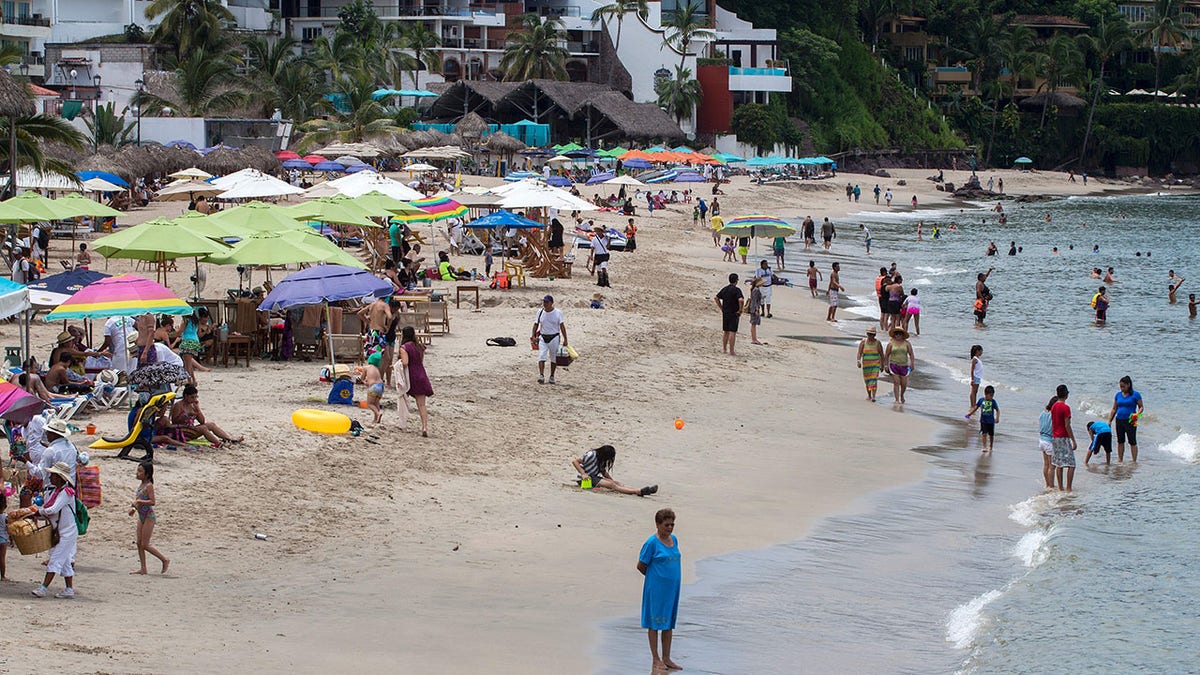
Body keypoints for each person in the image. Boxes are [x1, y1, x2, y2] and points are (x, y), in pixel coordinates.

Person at [638, 508, 682, 672]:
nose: (670, 528)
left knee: (668, 623)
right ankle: (656, 659)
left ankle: (667, 657)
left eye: (672, 525)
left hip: (672, 589)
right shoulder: (651, 543)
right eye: (666, 525)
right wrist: (656, 579)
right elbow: (641, 565)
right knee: (654, 623)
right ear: (657, 524)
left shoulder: (674, 539)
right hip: (656, 589)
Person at [32, 462, 78, 598]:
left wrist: (37, 512)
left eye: (53, 475)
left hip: (67, 532)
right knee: (65, 561)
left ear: (59, 478)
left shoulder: (66, 493)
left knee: (55, 559)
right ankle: (69, 589)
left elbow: (52, 510)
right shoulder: (56, 492)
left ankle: (43, 587)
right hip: (61, 530)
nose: (50, 477)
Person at [169, 384, 244, 446]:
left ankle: (229, 439)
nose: (194, 399)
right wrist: (186, 416)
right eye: (192, 397)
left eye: (195, 397)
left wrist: (198, 410)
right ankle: (218, 443)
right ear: (186, 396)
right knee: (203, 428)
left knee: (211, 424)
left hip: (190, 429)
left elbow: (202, 421)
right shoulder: (178, 405)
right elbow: (174, 421)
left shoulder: (193, 405)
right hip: (180, 431)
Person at [129, 461, 169, 575]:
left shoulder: (148, 486)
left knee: (145, 544)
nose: (137, 473)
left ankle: (164, 559)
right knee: (139, 542)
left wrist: (139, 501)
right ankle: (143, 568)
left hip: (149, 517)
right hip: (141, 516)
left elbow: (152, 502)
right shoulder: (141, 485)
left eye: (140, 471)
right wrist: (134, 509)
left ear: (147, 474)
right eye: (138, 470)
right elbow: (140, 501)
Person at [571, 445, 657, 495]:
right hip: (586, 480)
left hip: (593, 477)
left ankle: (638, 490)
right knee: (612, 485)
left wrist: (612, 480)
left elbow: (603, 472)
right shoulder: (591, 455)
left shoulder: (600, 458)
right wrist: (583, 473)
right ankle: (638, 491)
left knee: (616, 483)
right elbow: (575, 461)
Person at [398, 325, 432, 436]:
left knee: (403, 399)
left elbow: (405, 363)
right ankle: (424, 427)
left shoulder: (404, 348)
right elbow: (420, 361)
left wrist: (396, 366)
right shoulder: (420, 346)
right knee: (422, 405)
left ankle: (403, 423)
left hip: (411, 377)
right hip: (421, 374)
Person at [532, 295, 567, 385]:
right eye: (544, 302)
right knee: (541, 356)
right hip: (543, 337)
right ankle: (541, 375)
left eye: (547, 302)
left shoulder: (558, 313)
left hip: (554, 337)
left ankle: (552, 376)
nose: (545, 304)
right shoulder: (540, 312)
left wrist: (565, 339)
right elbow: (536, 324)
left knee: (553, 358)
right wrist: (533, 336)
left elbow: (562, 326)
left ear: (551, 303)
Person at [1107, 376, 1144, 462]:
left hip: (1131, 420)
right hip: (1119, 420)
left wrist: (1137, 415)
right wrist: (1109, 420)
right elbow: (1114, 409)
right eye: (1120, 386)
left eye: (1123, 386)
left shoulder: (1135, 394)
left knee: (1132, 441)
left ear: (1128, 385)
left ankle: (1134, 460)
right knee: (1120, 441)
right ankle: (1120, 460)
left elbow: (1141, 407)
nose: (1122, 388)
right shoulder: (1118, 395)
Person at [1050, 385, 1077, 490]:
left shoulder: (1054, 406)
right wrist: (1073, 440)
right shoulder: (1066, 408)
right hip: (1063, 437)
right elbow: (1067, 425)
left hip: (1055, 436)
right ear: (1066, 395)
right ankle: (1068, 488)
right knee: (1071, 464)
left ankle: (1060, 487)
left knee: (1059, 463)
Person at [178, 307, 213, 383]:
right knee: (189, 363)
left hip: (187, 342)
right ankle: (192, 380)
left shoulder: (185, 321)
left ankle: (191, 381)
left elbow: (179, 332)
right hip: (195, 342)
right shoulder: (195, 321)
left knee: (187, 365)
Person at [714, 273, 743, 356]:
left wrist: (721, 307)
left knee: (726, 331)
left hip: (726, 312)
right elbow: (740, 300)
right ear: (736, 281)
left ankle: (724, 349)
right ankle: (731, 350)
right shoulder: (737, 290)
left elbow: (716, 298)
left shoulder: (725, 289)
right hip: (734, 312)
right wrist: (740, 310)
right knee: (732, 331)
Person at [884, 327, 914, 403]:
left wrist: (912, 363)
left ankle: (902, 395)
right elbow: (886, 355)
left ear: (903, 335)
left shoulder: (907, 343)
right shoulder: (891, 343)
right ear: (894, 335)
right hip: (894, 365)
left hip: (904, 365)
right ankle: (897, 399)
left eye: (900, 334)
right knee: (896, 383)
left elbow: (911, 354)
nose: (898, 335)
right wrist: (886, 365)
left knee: (904, 384)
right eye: (896, 334)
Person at [967, 385, 1000, 453]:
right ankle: (984, 446)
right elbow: (976, 407)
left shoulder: (993, 401)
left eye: (992, 395)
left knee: (991, 435)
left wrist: (997, 418)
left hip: (991, 421)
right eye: (990, 395)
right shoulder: (981, 400)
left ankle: (991, 446)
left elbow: (997, 410)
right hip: (983, 420)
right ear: (985, 394)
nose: (991, 397)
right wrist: (970, 413)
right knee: (984, 433)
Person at [856, 326, 882, 402]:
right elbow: (859, 353)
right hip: (866, 365)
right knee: (867, 380)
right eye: (870, 334)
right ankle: (869, 395)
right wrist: (858, 361)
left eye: (873, 334)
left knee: (874, 379)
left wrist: (883, 365)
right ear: (867, 334)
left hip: (875, 364)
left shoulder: (878, 343)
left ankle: (874, 396)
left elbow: (881, 354)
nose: (871, 336)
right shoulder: (863, 342)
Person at [1038, 397, 1057, 489]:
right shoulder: (1053, 415)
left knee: (1045, 464)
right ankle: (1052, 485)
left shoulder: (1042, 414)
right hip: (1049, 441)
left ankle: (1047, 484)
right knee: (1052, 466)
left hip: (1041, 440)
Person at [364, 351, 385, 424]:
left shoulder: (367, 367)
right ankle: (376, 419)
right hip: (381, 386)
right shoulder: (377, 369)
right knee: (376, 403)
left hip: (373, 387)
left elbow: (362, 378)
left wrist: (364, 382)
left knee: (370, 404)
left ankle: (378, 413)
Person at [747, 277, 765, 345]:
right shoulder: (756, 290)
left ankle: (754, 338)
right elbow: (754, 300)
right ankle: (754, 339)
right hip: (754, 308)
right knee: (753, 324)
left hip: (753, 308)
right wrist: (756, 309)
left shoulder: (755, 289)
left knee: (753, 324)